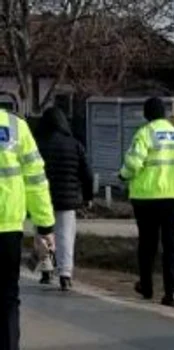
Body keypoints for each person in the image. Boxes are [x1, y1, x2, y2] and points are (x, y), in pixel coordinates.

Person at [118, 97, 174, 308]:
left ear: (147, 114)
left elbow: (133, 163)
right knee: (172, 246)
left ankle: (146, 287)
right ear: (164, 114)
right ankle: (171, 292)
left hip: (147, 198)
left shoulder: (145, 133)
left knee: (147, 244)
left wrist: (123, 175)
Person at [0, 108, 55, 350]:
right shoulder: (14, 126)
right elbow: (35, 179)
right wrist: (45, 226)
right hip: (7, 229)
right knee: (7, 299)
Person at [35, 107, 94, 291]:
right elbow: (87, 174)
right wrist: (88, 195)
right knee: (65, 236)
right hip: (67, 199)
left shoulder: (38, 144)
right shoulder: (74, 144)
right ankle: (65, 275)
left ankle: (45, 269)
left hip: (42, 197)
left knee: (43, 234)